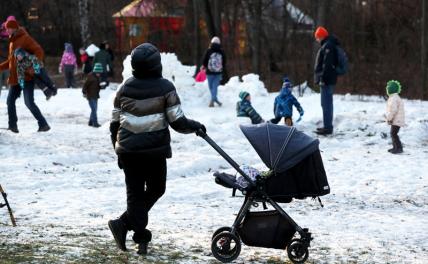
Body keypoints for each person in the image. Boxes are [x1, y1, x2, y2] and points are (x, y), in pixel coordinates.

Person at [108, 43, 206, 255]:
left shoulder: (123, 88)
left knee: (136, 196)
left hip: (129, 152)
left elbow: (114, 123)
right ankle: (135, 233)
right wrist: (196, 126)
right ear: (156, 65)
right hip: (154, 152)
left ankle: (125, 226)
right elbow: (178, 121)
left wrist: (117, 148)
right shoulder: (165, 88)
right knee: (155, 189)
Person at [0, 19, 50, 133]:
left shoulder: (25, 38)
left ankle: (43, 124)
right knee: (10, 101)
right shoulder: (12, 42)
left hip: (26, 77)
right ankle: (13, 126)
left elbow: (39, 51)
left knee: (29, 102)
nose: (6, 30)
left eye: (8, 28)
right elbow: (10, 62)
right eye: (6, 29)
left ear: (14, 28)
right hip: (14, 79)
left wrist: (33, 67)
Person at [314, 26, 339, 135]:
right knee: (326, 104)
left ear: (320, 36)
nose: (317, 40)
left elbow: (327, 65)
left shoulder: (328, 46)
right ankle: (327, 126)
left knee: (326, 104)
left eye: (317, 37)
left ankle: (328, 128)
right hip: (327, 80)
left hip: (326, 80)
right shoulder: (328, 44)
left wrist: (323, 78)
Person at [202, 36, 225, 107]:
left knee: (210, 86)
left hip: (209, 71)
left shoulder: (209, 50)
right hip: (218, 72)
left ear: (211, 42)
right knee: (215, 86)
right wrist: (221, 67)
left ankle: (213, 100)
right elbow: (224, 61)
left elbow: (205, 59)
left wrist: (204, 66)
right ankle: (215, 99)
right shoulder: (221, 51)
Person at [385, 80, 405, 154]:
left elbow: (393, 110)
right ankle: (395, 147)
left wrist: (389, 118)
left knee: (393, 134)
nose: (387, 91)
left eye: (387, 89)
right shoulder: (395, 97)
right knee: (393, 133)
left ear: (391, 89)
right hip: (397, 119)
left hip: (397, 120)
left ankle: (399, 148)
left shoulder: (394, 98)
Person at [82, 63, 103, 128]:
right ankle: (95, 123)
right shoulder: (90, 76)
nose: (99, 74)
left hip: (95, 95)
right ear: (95, 71)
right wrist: (84, 92)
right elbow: (85, 85)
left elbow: (97, 86)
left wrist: (101, 86)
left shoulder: (97, 77)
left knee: (94, 109)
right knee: (94, 110)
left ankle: (90, 122)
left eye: (100, 72)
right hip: (90, 95)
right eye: (97, 72)